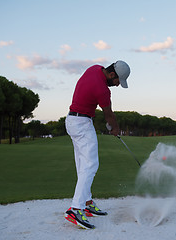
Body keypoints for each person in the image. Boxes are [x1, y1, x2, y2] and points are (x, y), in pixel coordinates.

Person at [64, 60, 131, 229]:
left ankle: (86, 202)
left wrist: (110, 125)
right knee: (91, 165)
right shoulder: (103, 90)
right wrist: (114, 128)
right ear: (112, 74)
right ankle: (76, 208)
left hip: (72, 120)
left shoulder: (94, 68)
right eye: (117, 81)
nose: (116, 85)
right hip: (82, 123)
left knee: (82, 165)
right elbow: (108, 115)